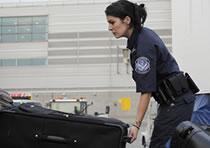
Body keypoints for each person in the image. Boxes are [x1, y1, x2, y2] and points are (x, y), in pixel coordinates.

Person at [105, 0, 198, 147]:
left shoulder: (143, 45)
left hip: (176, 102)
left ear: (127, 20)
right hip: (173, 101)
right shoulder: (142, 37)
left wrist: (136, 125)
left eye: (112, 22)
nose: (110, 28)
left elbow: (146, 91)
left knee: (158, 144)